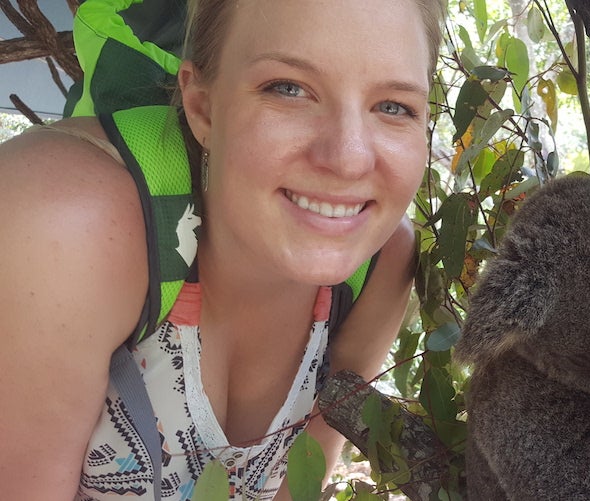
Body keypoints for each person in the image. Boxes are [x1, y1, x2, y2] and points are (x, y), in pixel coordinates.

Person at [0, 0, 445, 498]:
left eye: (393, 106)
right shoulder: (62, 222)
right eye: (288, 88)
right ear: (202, 106)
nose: (348, 158)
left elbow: (296, 486)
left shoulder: (382, 262)